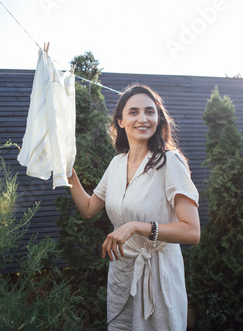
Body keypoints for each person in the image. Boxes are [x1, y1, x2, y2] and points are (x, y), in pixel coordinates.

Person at [67, 84, 200, 330]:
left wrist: (137, 227)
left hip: (159, 276)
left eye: (150, 111)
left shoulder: (171, 162)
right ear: (120, 120)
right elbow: (88, 208)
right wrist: (70, 176)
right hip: (122, 274)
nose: (143, 118)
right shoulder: (117, 164)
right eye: (134, 112)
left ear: (158, 118)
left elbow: (192, 232)